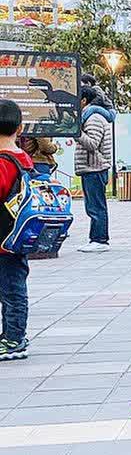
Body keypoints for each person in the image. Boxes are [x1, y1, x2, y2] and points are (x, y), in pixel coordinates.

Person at [0, 100, 34, 361]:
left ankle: (14, 339)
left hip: (4, 236)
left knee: (11, 288)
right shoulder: (23, 157)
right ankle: (12, 334)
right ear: (19, 128)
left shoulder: (3, 162)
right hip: (17, 233)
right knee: (12, 285)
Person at [74, 90, 113, 253]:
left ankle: (99, 240)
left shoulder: (93, 118)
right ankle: (96, 239)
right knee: (93, 205)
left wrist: (75, 132)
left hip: (95, 167)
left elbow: (92, 143)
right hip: (91, 167)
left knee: (96, 206)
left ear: (83, 100)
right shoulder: (89, 116)